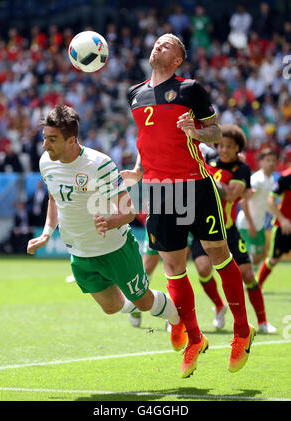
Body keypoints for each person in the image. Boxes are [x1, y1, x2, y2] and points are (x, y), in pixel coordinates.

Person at [123, 33, 254, 378]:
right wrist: (138, 169)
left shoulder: (190, 89)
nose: (157, 45)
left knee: (218, 253)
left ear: (178, 59)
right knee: (173, 266)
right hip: (159, 190)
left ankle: (242, 331)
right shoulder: (135, 94)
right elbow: (147, 137)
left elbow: (215, 132)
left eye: (167, 45)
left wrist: (195, 131)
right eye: (156, 42)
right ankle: (195, 338)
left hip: (195, 185)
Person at [27, 105, 182, 355]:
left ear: (72, 140)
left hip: (115, 248)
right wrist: (46, 233)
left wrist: (110, 223)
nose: (45, 145)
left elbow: (130, 211)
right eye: (45, 138)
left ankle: (178, 321)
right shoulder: (47, 162)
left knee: (143, 301)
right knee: (112, 307)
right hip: (79, 253)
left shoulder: (99, 164)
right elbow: (54, 199)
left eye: (52, 139)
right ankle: (140, 305)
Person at [191, 125, 276, 334]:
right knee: (202, 270)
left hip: (228, 230)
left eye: (230, 146)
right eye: (221, 145)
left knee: (248, 274)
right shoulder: (209, 161)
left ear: (238, 148)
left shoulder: (243, 169)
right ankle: (220, 306)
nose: (224, 150)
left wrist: (209, 177)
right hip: (204, 228)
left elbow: (229, 196)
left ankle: (263, 322)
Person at [236, 149, 277, 274]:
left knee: (260, 255)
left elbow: (267, 203)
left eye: (273, 161)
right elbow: (243, 201)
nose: (271, 163)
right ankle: (246, 281)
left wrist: (277, 216)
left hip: (259, 223)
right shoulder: (256, 180)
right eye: (268, 160)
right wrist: (251, 224)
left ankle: (250, 279)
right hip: (247, 223)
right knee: (250, 256)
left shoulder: (270, 180)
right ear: (261, 162)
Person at [258, 167, 291, 287]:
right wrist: (283, 220)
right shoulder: (286, 177)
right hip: (284, 227)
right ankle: (257, 286)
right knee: (273, 259)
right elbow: (271, 200)